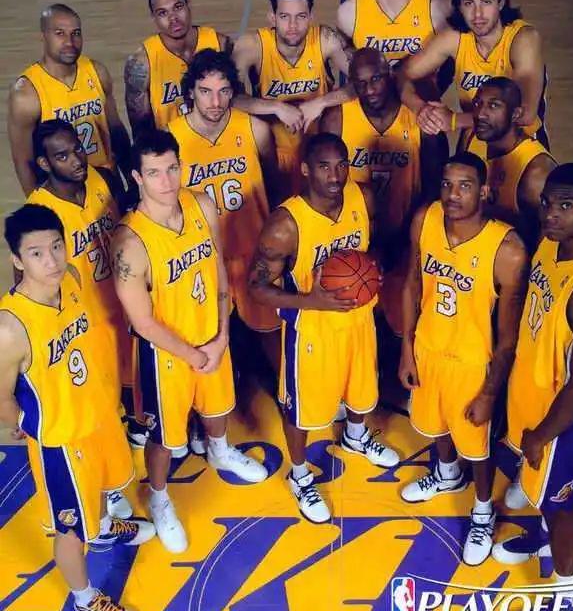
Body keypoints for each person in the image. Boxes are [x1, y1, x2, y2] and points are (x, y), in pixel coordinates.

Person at [0, 205, 155, 611]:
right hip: (63, 443)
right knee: (69, 531)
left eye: (56, 246)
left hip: (97, 418)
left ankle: (103, 527)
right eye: (36, 253)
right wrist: (30, 426)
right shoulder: (10, 328)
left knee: (104, 488)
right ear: (17, 260)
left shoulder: (68, 280)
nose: (51, 260)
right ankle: (86, 600)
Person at [111, 129, 267, 553]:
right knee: (165, 439)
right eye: (154, 173)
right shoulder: (130, 242)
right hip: (166, 356)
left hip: (210, 337)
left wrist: (221, 335)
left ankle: (220, 450)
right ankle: (159, 497)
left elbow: (218, 270)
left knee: (218, 408)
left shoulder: (201, 204)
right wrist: (195, 354)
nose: (167, 181)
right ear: (137, 177)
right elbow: (143, 323)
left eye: (172, 169)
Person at [248, 132, 399, 524]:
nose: (335, 175)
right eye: (323, 166)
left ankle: (355, 436)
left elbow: (378, 242)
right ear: (304, 169)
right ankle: (300, 477)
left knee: (361, 392)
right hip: (311, 333)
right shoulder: (285, 225)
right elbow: (256, 287)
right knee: (300, 413)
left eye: (341, 165)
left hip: (359, 321)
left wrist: (374, 267)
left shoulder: (362, 197)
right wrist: (311, 301)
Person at [399, 153, 528, 565]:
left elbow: (508, 338)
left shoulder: (507, 250)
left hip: (472, 363)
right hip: (428, 348)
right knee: (435, 424)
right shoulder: (426, 219)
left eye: (465, 186)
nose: (453, 195)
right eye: (447, 184)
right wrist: (406, 347)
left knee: (478, 448)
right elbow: (412, 284)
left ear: (485, 191)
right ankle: (447, 474)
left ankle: (483, 512)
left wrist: (489, 393)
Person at [492, 164, 573, 611]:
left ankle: (569, 593)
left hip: (565, 418)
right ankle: (546, 541)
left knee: (561, 505)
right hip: (533, 395)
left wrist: (542, 435)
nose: (551, 214)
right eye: (547, 203)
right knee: (539, 491)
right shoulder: (552, 242)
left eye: (566, 205)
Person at [28, 118, 147, 464]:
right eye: (62, 156)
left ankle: (137, 427)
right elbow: (31, 287)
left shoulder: (103, 178)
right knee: (102, 395)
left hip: (124, 299)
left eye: (77, 148)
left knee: (135, 375)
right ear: (44, 164)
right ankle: (110, 466)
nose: (77, 159)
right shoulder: (40, 213)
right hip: (87, 318)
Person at [321, 47, 446, 337]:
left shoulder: (418, 118)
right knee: (356, 322)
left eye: (376, 79)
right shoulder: (337, 119)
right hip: (356, 237)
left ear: (390, 75)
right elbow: (325, 184)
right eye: (361, 83)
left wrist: (410, 238)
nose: (370, 90)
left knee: (402, 325)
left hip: (405, 232)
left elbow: (433, 186)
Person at [170, 49, 280, 370]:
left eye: (224, 91)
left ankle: (285, 391)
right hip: (204, 260)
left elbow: (273, 186)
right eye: (205, 91)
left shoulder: (255, 129)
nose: (215, 102)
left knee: (272, 336)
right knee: (208, 345)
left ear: (234, 92)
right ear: (191, 92)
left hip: (253, 252)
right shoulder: (172, 138)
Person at [400, 0, 549, 148]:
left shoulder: (523, 39)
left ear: (501, 3)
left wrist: (453, 120)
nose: (478, 14)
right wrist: (420, 108)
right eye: (469, 4)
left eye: (486, 2)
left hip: (521, 142)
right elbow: (402, 74)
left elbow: (524, 115)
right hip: (475, 140)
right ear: (460, 7)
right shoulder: (454, 38)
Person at [233, 0, 354, 197]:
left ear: (311, 17)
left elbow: (363, 83)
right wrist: (277, 107)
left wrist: (321, 102)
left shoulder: (325, 39)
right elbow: (230, 97)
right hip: (272, 155)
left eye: (300, 16)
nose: (292, 26)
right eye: (284, 17)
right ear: (272, 17)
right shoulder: (253, 46)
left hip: (319, 154)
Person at [8, 4, 132, 196]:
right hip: (66, 195)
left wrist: (132, 182)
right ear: (43, 36)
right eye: (60, 33)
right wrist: (40, 205)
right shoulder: (27, 92)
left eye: (76, 33)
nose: (70, 42)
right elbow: (24, 161)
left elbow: (116, 130)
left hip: (108, 185)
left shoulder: (96, 71)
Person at [124, 0, 231, 135]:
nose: (173, 18)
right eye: (163, 13)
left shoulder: (220, 44)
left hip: (220, 140)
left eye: (178, 7)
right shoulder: (142, 62)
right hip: (173, 146)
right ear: (154, 18)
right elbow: (141, 129)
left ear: (189, 6)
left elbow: (237, 99)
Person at [463, 77, 556, 249]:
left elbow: (549, 246)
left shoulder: (536, 171)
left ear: (515, 114)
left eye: (493, 106)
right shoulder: (472, 138)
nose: (480, 114)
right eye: (477, 104)